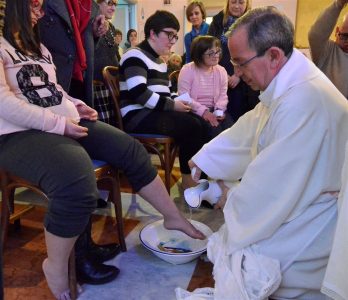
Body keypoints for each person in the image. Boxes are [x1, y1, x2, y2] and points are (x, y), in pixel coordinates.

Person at [0, 0, 205, 298]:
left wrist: (74, 104)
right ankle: (55, 265)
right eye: (33, 4)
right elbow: (5, 104)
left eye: (42, 6)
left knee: (129, 149)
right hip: (19, 134)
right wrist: (60, 124)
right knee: (77, 174)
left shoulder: (39, 48)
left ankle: (172, 215)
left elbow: (51, 89)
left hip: (58, 121)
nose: (40, 11)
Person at [188, 6, 348, 299]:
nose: (236, 72)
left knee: (250, 262)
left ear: (273, 55)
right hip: (303, 198)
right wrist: (208, 156)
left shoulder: (304, 100)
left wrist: (230, 197)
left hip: (318, 216)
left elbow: (273, 185)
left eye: (240, 63)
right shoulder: (289, 80)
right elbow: (255, 125)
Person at [38, 0, 122, 285]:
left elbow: (82, 49)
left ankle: (86, 247)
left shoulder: (89, 5)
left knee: (99, 155)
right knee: (77, 171)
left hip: (74, 89)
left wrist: (97, 35)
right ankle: (78, 257)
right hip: (45, 99)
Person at [119, 10, 210, 190]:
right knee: (191, 126)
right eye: (169, 35)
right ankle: (189, 182)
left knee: (202, 122)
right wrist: (172, 105)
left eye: (175, 36)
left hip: (154, 112)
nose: (172, 41)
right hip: (137, 116)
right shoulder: (134, 55)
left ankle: (198, 176)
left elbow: (167, 93)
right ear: (152, 33)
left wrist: (182, 102)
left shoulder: (160, 61)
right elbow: (140, 94)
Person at [208, 0, 259, 123]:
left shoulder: (254, 22)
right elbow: (209, 49)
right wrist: (222, 72)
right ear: (228, 3)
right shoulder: (217, 21)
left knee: (245, 117)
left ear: (247, 4)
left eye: (241, 2)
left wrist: (238, 74)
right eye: (233, 2)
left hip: (245, 76)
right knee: (224, 116)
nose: (236, 6)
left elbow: (255, 51)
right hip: (221, 73)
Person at [178, 35, 232, 139]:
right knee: (213, 131)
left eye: (217, 51)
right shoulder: (187, 69)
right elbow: (184, 97)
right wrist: (204, 112)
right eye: (211, 53)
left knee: (230, 130)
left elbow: (223, 95)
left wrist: (219, 111)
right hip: (193, 111)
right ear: (199, 54)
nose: (216, 56)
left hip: (215, 109)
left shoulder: (221, 70)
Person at [308, 0, 348, 98]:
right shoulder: (327, 51)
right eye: (345, 36)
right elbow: (315, 35)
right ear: (337, 31)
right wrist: (339, 4)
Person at [93, 0, 119, 126]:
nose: (113, 7)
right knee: (107, 124)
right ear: (97, 3)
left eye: (115, 4)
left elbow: (114, 55)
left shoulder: (112, 27)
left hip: (113, 84)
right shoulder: (91, 23)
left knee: (116, 122)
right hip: (97, 84)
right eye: (109, 3)